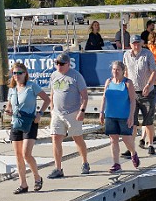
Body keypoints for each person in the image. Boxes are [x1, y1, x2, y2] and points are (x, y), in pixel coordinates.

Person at [5, 62, 51, 193]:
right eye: (14, 73)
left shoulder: (32, 86)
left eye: (20, 73)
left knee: (26, 154)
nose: (17, 76)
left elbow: (47, 100)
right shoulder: (12, 90)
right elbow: (9, 106)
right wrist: (7, 110)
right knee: (18, 155)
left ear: (25, 74)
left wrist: (40, 113)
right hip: (16, 123)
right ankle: (23, 184)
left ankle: (37, 177)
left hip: (30, 122)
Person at [47, 52, 91, 177]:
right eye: (57, 63)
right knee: (55, 138)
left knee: (77, 138)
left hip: (73, 113)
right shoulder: (53, 75)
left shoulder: (76, 76)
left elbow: (85, 96)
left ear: (68, 64)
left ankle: (85, 162)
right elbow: (52, 94)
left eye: (61, 64)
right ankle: (58, 168)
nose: (59, 66)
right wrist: (51, 109)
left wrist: (82, 111)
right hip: (57, 113)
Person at [99, 60, 140, 173]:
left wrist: (131, 116)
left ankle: (133, 152)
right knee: (113, 139)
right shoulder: (108, 82)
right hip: (110, 115)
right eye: (113, 69)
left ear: (123, 71)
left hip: (124, 115)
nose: (115, 72)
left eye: (118, 70)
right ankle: (116, 164)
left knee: (126, 138)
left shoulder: (128, 83)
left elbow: (133, 101)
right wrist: (101, 112)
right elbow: (104, 97)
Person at [123, 35, 156, 155]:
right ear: (130, 44)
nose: (136, 45)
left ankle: (151, 144)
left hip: (147, 92)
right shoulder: (126, 55)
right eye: (134, 43)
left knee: (148, 120)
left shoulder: (147, 54)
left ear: (141, 43)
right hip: (133, 92)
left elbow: (153, 70)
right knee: (132, 121)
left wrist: (148, 85)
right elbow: (126, 72)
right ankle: (131, 148)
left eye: (138, 43)